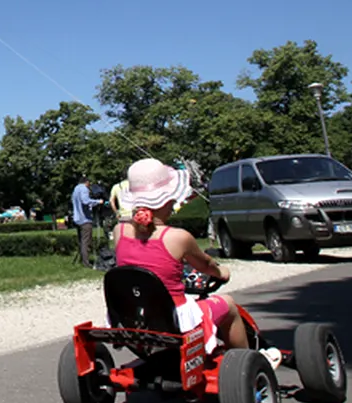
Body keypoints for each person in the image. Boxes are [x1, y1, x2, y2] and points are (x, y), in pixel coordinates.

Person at [113, 158, 282, 370]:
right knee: (228, 304)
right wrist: (222, 272)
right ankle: (247, 363)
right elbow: (207, 265)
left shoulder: (119, 231)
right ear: (167, 200)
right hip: (173, 320)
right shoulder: (177, 238)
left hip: (135, 316)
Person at [71, 176, 102, 267]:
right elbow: (85, 201)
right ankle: (86, 263)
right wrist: (98, 202)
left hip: (77, 218)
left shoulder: (75, 189)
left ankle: (82, 260)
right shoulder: (84, 189)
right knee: (86, 242)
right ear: (87, 182)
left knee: (81, 241)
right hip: (85, 219)